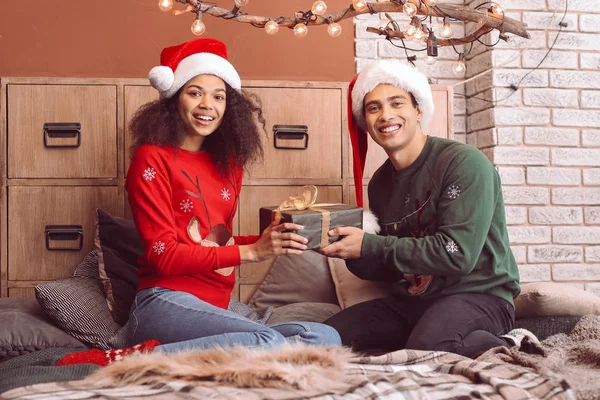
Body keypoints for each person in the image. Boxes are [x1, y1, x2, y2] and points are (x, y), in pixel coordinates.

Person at [55, 38, 340, 367]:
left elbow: (218, 244)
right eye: (195, 92)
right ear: (174, 99)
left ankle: (222, 352)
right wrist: (252, 251)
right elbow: (164, 254)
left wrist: (269, 242)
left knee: (323, 337)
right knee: (268, 340)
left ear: (229, 107)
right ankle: (127, 358)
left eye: (218, 96)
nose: (208, 104)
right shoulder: (152, 159)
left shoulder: (228, 165)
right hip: (163, 303)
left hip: (215, 310)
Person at [319, 59, 534, 358]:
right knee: (322, 338)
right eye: (374, 108)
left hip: (479, 295)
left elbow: (457, 254)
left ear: (418, 110)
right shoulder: (380, 182)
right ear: (364, 121)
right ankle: (413, 341)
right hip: (412, 301)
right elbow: (383, 265)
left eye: (396, 103)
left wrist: (371, 244)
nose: (386, 116)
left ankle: (512, 343)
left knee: (428, 349)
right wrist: (341, 247)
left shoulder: (464, 163)